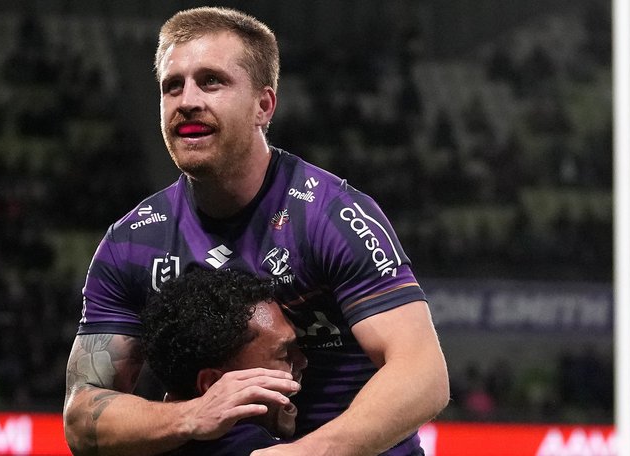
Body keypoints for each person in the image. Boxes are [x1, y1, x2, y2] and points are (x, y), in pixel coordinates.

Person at [63, 6, 449, 456]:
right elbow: (82, 417)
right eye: (172, 86)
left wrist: (305, 454)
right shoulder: (130, 244)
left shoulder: (331, 215)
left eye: (211, 81)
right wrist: (193, 415)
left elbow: (424, 375)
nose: (187, 99)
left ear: (263, 106)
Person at [141, 268, 308, 455]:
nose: (302, 361)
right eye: (284, 355)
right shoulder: (249, 445)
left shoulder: (139, 441)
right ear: (213, 383)